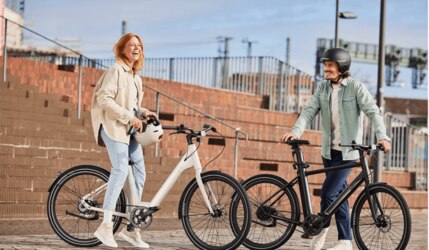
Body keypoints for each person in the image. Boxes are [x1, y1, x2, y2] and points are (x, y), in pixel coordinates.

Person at [281, 48, 391, 250]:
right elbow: (309, 111)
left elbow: (373, 112)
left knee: (328, 193)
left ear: (342, 67)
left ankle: (322, 231)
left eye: (330, 65)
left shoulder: (356, 88)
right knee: (339, 196)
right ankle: (345, 241)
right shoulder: (323, 88)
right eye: (325, 65)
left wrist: (382, 136)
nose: (326, 69)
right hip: (329, 152)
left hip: (348, 152)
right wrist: (296, 131)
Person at [91, 33, 157, 248]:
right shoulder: (116, 70)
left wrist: (145, 112)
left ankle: (132, 228)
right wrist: (130, 117)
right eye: (131, 45)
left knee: (139, 173)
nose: (136, 48)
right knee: (120, 170)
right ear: (122, 49)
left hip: (128, 130)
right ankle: (106, 225)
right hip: (112, 127)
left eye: (139, 45)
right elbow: (104, 98)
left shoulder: (136, 77)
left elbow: (133, 107)